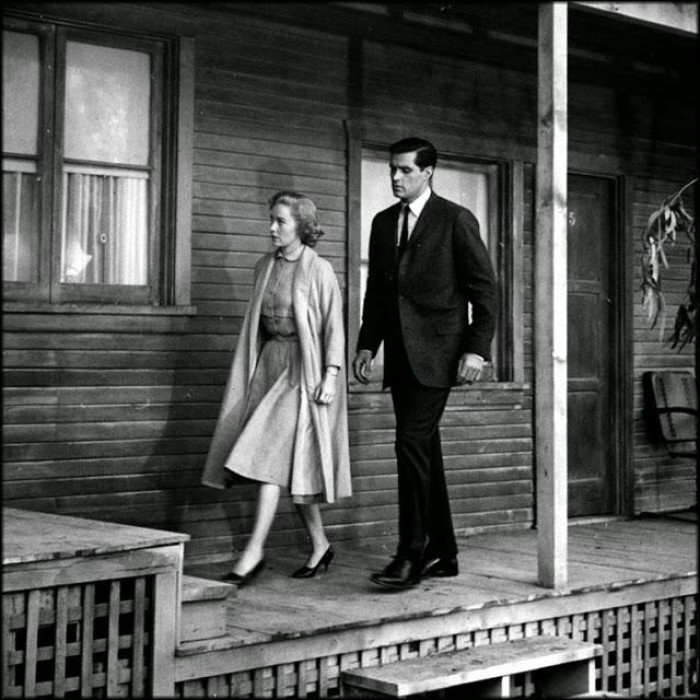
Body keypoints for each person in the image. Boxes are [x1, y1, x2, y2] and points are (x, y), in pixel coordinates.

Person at [353, 137, 498, 590]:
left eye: (405, 170)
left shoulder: (455, 219)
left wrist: (476, 349)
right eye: (392, 170)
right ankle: (445, 552)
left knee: (410, 443)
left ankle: (410, 554)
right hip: (400, 356)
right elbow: (378, 292)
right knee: (423, 448)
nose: (395, 178)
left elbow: (485, 291)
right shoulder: (382, 222)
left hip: (439, 356)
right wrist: (367, 345)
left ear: (428, 172)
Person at [202, 190, 351, 585]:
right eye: (271, 219)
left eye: (280, 221)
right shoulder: (264, 266)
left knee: (268, 458)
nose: (271, 227)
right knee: (288, 464)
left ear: (301, 226)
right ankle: (320, 545)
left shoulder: (319, 269)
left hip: (305, 370)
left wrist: (331, 375)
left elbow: (335, 326)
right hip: (270, 364)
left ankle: (253, 553)